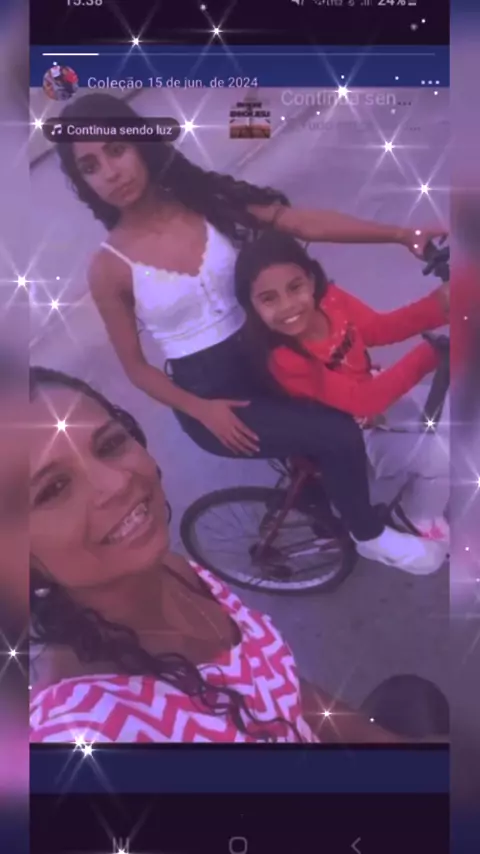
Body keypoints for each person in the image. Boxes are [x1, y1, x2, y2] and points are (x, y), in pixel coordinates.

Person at [54, 91, 447, 572]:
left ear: (141, 145)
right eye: (90, 166)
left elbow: (301, 224)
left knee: (364, 398)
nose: (110, 172)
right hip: (216, 397)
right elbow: (136, 369)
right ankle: (368, 535)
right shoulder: (109, 267)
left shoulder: (207, 203)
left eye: (116, 150)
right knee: (339, 433)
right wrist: (202, 410)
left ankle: (328, 499)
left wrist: (399, 234)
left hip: (277, 356)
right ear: (84, 183)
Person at [29, 367, 406, 744]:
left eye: (109, 444)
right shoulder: (80, 729)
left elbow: (286, 692)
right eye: (53, 489)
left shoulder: (177, 571)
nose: (116, 483)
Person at [234, 230, 450, 553]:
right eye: (268, 298)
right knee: (442, 456)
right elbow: (363, 402)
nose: (288, 306)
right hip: (351, 435)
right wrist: (433, 353)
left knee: (458, 420)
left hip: (373, 398)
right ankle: (416, 517)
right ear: (250, 306)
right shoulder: (285, 357)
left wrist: (441, 304)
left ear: (311, 280)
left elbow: (379, 329)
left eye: (295, 287)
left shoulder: (332, 300)